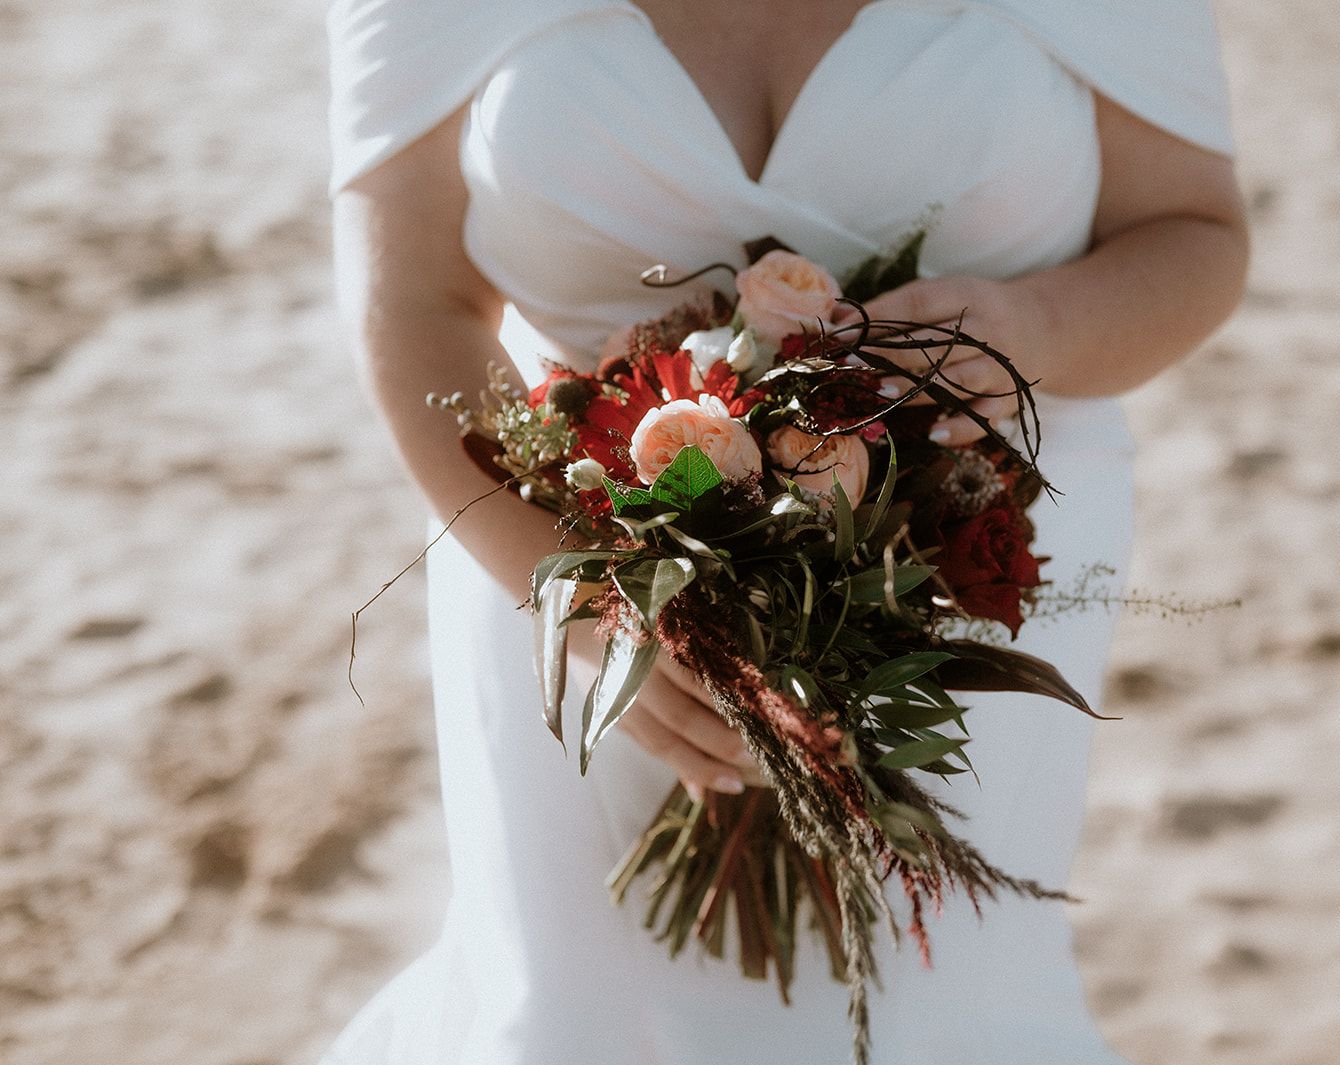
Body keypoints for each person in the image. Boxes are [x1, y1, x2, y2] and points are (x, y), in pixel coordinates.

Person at [321, 0, 1248, 1061]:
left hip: (977, 578)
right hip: (560, 562)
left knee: (938, 1013)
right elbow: (412, 301)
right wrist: (585, 605)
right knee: (588, 1011)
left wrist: (1032, 329)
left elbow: (1194, 233)